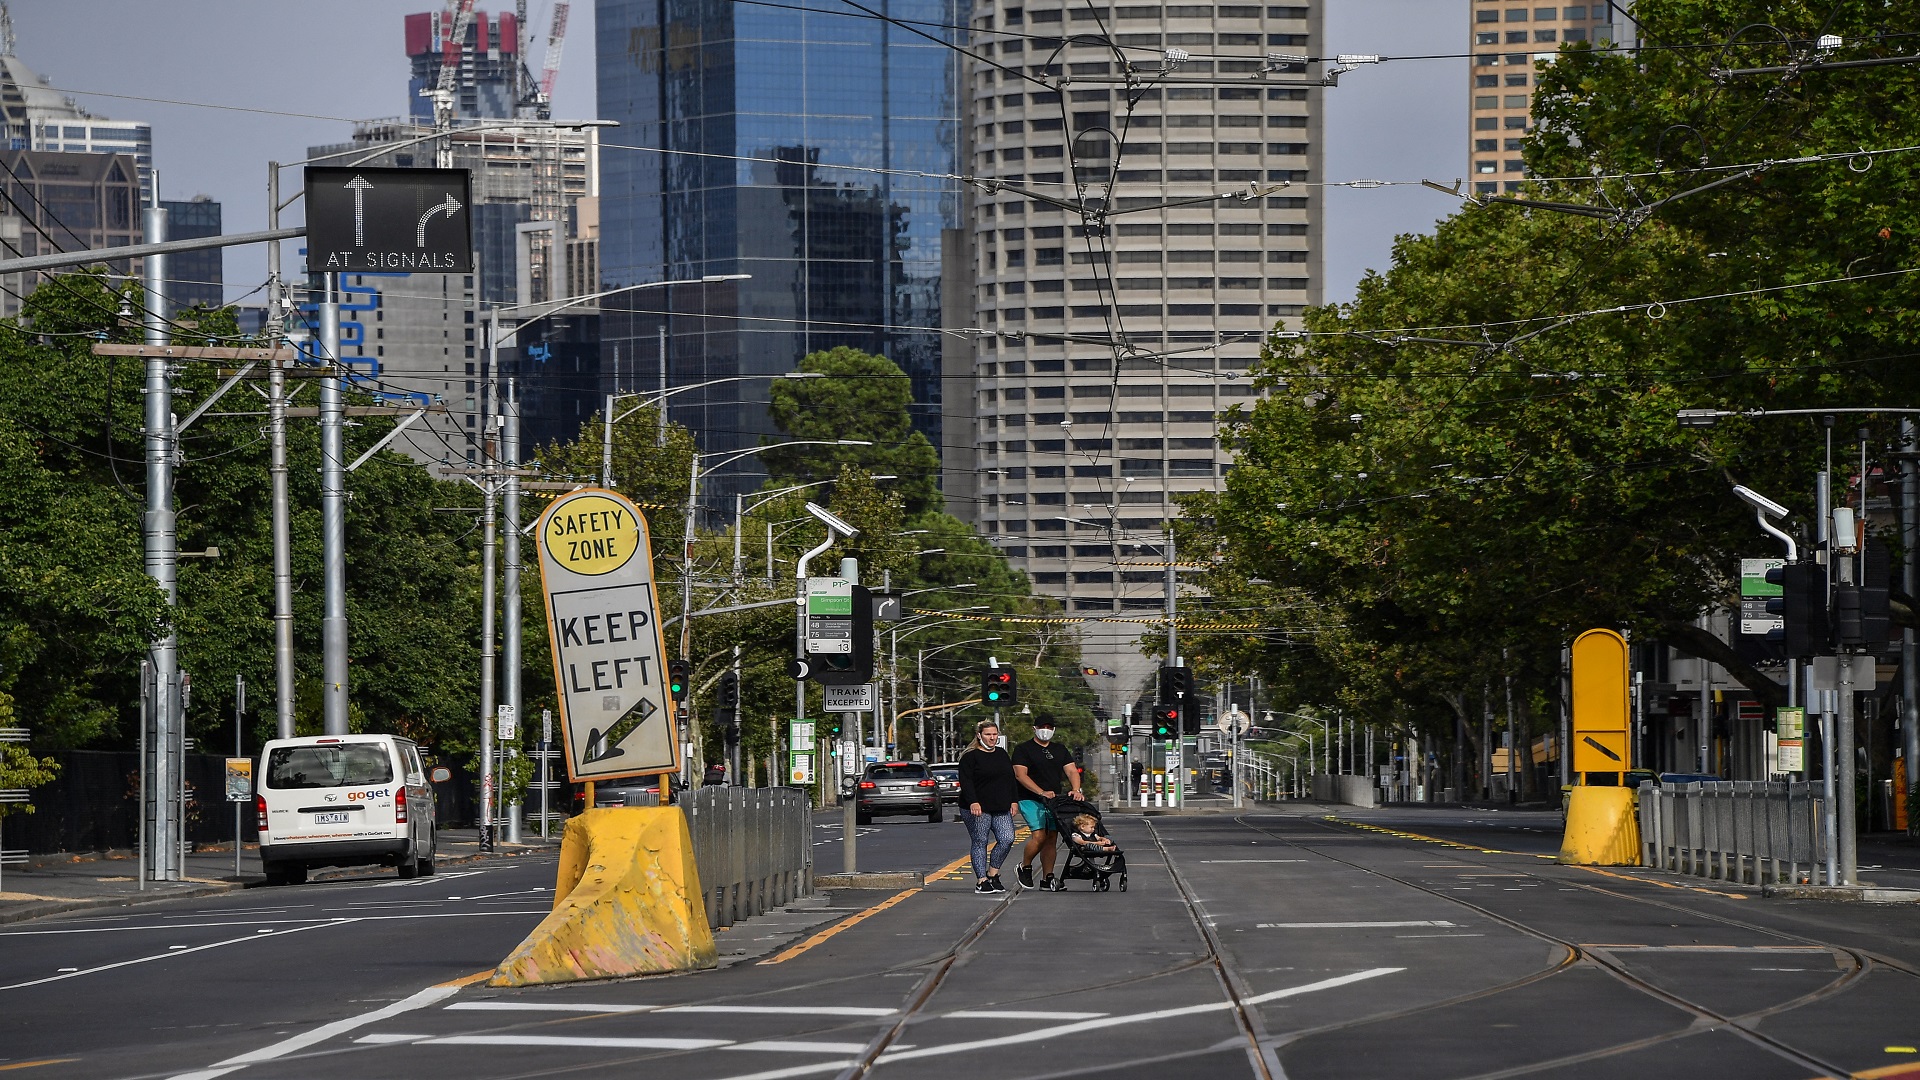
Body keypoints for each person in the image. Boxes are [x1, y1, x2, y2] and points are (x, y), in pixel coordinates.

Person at [1012, 721, 1081, 890]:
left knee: (1052, 837)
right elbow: (1020, 775)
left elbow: (1072, 770)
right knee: (1039, 836)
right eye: (1043, 727)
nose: (1046, 731)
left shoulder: (1060, 749)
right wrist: (1040, 791)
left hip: (1053, 800)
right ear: (1034, 728)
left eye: (1049, 728)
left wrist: (1076, 789)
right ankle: (1025, 866)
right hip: (1029, 798)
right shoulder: (1023, 749)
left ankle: (1047, 877)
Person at [957, 720, 1017, 895]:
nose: (992, 738)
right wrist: (973, 802)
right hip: (978, 808)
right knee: (980, 841)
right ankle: (981, 880)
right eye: (988, 734)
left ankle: (993, 874)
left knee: (1007, 838)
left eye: (994, 734)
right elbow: (966, 782)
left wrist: (1014, 800)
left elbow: (1010, 779)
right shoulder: (970, 756)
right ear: (979, 735)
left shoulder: (1002, 754)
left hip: (1000, 806)